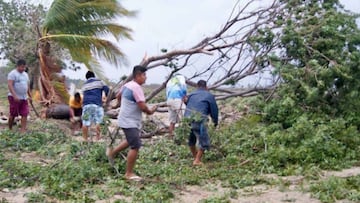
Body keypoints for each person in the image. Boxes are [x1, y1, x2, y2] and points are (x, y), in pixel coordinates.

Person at [106, 65, 157, 181]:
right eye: (144, 75)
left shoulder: (127, 85)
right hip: (129, 121)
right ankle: (129, 173)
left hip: (124, 119)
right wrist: (151, 111)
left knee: (130, 140)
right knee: (136, 145)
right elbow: (142, 106)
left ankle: (112, 153)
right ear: (138, 75)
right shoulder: (136, 88)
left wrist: (119, 104)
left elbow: (118, 96)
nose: (146, 78)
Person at [184, 80, 218, 166]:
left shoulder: (191, 94)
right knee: (204, 141)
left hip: (187, 119)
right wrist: (215, 122)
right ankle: (197, 160)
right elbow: (214, 111)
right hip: (199, 120)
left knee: (191, 140)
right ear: (206, 87)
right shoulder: (209, 95)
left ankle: (195, 157)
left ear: (197, 87)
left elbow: (188, 104)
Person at [81, 71, 109, 142]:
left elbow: (83, 95)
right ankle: (97, 138)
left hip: (86, 105)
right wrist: (105, 96)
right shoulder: (99, 81)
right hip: (97, 104)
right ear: (94, 76)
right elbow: (107, 89)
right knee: (98, 122)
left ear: (86, 78)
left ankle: (84, 139)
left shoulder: (84, 85)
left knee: (85, 122)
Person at [7, 59, 32, 133]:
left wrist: (30, 96)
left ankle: (23, 130)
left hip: (24, 97)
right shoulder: (12, 74)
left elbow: (27, 86)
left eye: (24, 67)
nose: (23, 69)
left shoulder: (25, 74)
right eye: (21, 67)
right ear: (17, 66)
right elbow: (10, 85)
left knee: (25, 113)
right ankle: (10, 129)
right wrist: (15, 96)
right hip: (13, 97)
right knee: (13, 114)